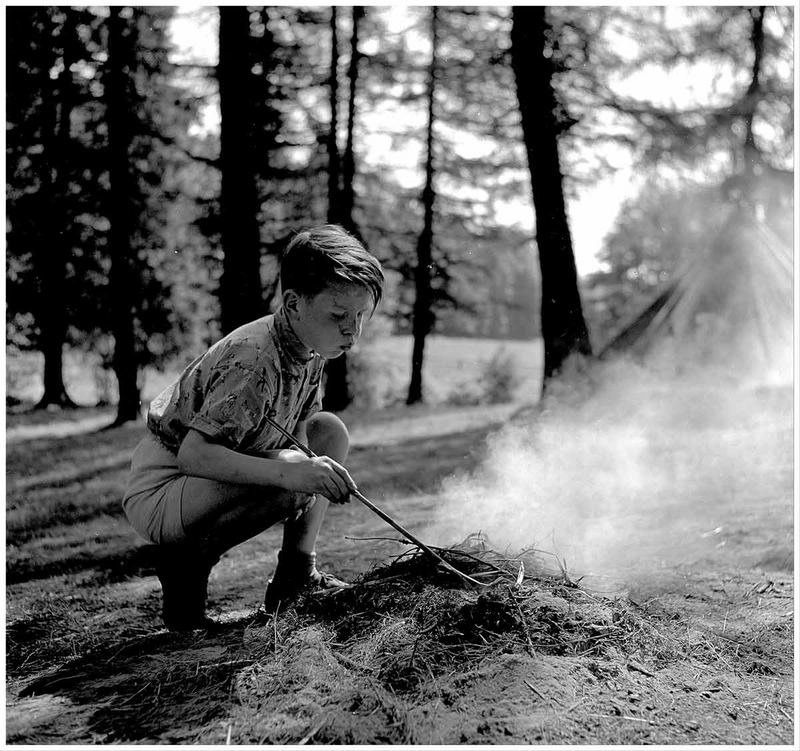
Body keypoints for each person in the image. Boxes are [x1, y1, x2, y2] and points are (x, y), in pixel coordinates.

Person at [122, 224, 384, 631]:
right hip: (166, 486)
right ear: (293, 303)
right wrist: (290, 470)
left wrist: (299, 464)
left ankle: (295, 574)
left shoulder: (311, 350)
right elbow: (194, 455)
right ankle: (185, 564)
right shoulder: (253, 358)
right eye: (338, 315)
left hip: (209, 478)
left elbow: (298, 433)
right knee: (297, 479)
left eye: (360, 316)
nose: (353, 330)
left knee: (329, 432)